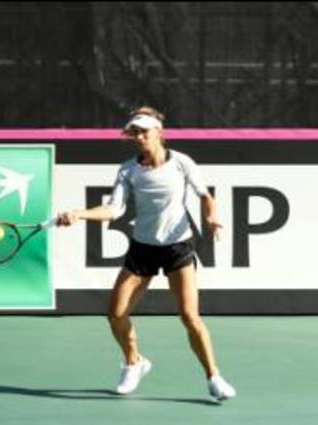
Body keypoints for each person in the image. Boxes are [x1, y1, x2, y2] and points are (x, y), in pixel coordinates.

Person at [56, 106, 236, 401]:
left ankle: (214, 376)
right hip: (143, 248)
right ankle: (134, 362)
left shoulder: (182, 163)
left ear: (158, 133)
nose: (139, 137)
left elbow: (205, 196)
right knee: (115, 314)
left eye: (144, 132)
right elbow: (114, 209)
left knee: (190, 316)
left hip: (178, 247)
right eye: (134, 133)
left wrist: (212, 217)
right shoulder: (128, 170)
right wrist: (80, 214)